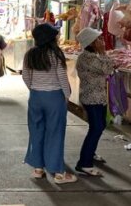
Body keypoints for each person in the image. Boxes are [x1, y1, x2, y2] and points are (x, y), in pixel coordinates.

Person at [22, 23, 77, 185]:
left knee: (36, 131)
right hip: (54, 97)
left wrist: (34, 89)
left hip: (35, 97)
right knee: (55, 133)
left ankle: (38, 168)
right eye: (56, 35)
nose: (58, 37)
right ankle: (58, 173)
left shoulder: (30, 54)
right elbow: (62, 77)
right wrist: (67, 96)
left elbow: (25, 76)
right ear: (50, 38)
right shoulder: (55, 54)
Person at [75, 27, 114, 177]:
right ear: (91, 43)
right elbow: (107, 69)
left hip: (98, 97)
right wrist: (104, 52)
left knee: (99, 125)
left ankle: (90, 152)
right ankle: (84, 163)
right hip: (92, 99)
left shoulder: (92, 56)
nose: (102, 41)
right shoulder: (88, 58)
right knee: (96, 128)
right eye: (98, 39)